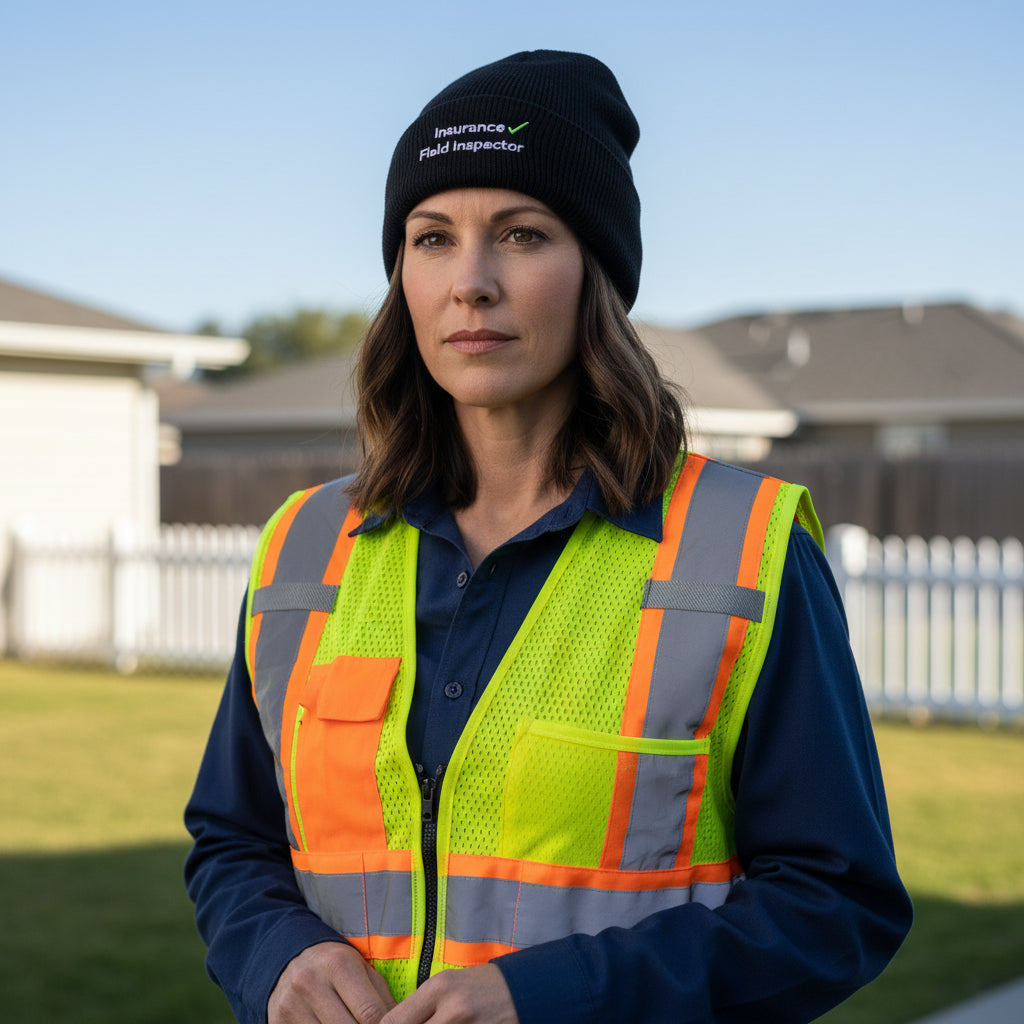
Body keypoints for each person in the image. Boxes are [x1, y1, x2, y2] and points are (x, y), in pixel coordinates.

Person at [185, 50, 912, 1024]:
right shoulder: (303, 546)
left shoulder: (743, 548)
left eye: (522, 234)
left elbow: (836, 902)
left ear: (597, 272)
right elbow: (233, 840)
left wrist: (555, 995)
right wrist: (279, 953)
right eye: (432, 236)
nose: (471, 282)